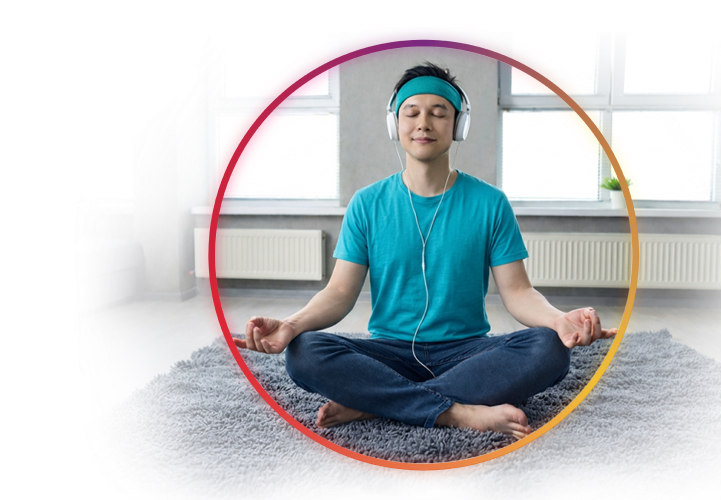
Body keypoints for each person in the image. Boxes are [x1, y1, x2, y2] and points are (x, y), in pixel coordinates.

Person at [234, 63, 617, 439]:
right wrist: (293, 324)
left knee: (548, 348)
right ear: (395, 124)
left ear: (458, 125)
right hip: (388, 351)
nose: (423, 123)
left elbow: (518, 292)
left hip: (467, 350)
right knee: (305, 351)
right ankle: (458, 412)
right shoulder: (367, 203)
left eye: (438, 113)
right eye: (411, 113)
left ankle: (374, 402)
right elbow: (338, 293)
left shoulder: (490, 203)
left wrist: (557, 320)